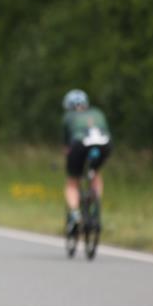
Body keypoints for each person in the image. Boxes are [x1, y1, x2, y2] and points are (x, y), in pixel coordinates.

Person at [61, 89, 112, 235]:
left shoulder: (69, 116)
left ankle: (76, 214)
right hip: (104, 144)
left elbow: (67, 147)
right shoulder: (98, 113)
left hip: (79, 145)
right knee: (95, 173)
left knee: (72, 181)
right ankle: (95, 205)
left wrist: (70, 163)